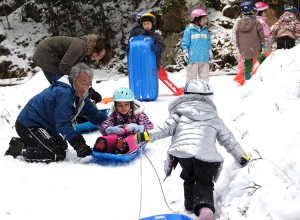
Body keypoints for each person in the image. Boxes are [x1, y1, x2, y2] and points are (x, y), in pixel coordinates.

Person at [134, 79, 250, 220]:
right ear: (209, 97)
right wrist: (241, 156)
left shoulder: (179, 113)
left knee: (188, 176)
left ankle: (190, 205)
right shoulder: (214, 117)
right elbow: (228, 139)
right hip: (207, 157)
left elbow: (164, 129)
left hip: (183, 154)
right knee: (204, 180)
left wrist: (147, 135)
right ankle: (204, 208)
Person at [4, 63, 108, 163]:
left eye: (88, 84)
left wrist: (110, 123)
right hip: (29, 124)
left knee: (62, 145)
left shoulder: (80, 94)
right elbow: (62, 123)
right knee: (56, 153)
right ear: (74, 78)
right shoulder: (64, 93)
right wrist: (78, 143)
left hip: (43, 126)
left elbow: (94, 114)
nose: (85, 87)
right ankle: (20, 151)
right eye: (83, 82)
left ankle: (22, 143)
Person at [32, 34, 113, 103]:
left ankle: (76, 113)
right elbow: (64, 66)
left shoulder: (89, 56)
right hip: (45, 54)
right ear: (95, 48)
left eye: (101, 56)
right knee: (62, 86)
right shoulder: (80, 47)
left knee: (72, 87)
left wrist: (90, 90)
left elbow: (83, 73)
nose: (97, 57)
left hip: (59, 60)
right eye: (98, 53)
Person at [94, 87, 154, 154]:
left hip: (135, 138)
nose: (123, 108)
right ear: (116, 106)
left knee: (133, 138)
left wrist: (137, 127)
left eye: (126, 104)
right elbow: (103, 126)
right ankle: (103, 144)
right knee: (112, 137)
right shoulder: (114, 115)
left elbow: (150, 128)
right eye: (120, 105)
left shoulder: (139, 114)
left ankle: (123, 146)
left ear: (131, 105)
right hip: (118, 139)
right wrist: (112, 129)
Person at [235, 0, 266, 81]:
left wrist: (238, 47)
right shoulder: (256, 23)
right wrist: (263, 45)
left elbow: (237, 36)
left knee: (247, 64)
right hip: (256, 46)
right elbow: (261, 36)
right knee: (263, 60)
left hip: (245, 48)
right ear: (253, 11)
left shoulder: (239, 24)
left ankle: (248, 80)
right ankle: (266, 77)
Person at [182, 8, 212, 83]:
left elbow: (208, 41)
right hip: (193, 57)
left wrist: (209, 50)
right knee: (191, 75)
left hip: (204, 57)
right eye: (203, 19)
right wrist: (185, 52)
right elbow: (185, 42)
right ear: (197, 19)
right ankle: (190, 89)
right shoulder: (189, 30)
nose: (204, 21)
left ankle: (204, 89)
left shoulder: (205, 30)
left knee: (205, 75)